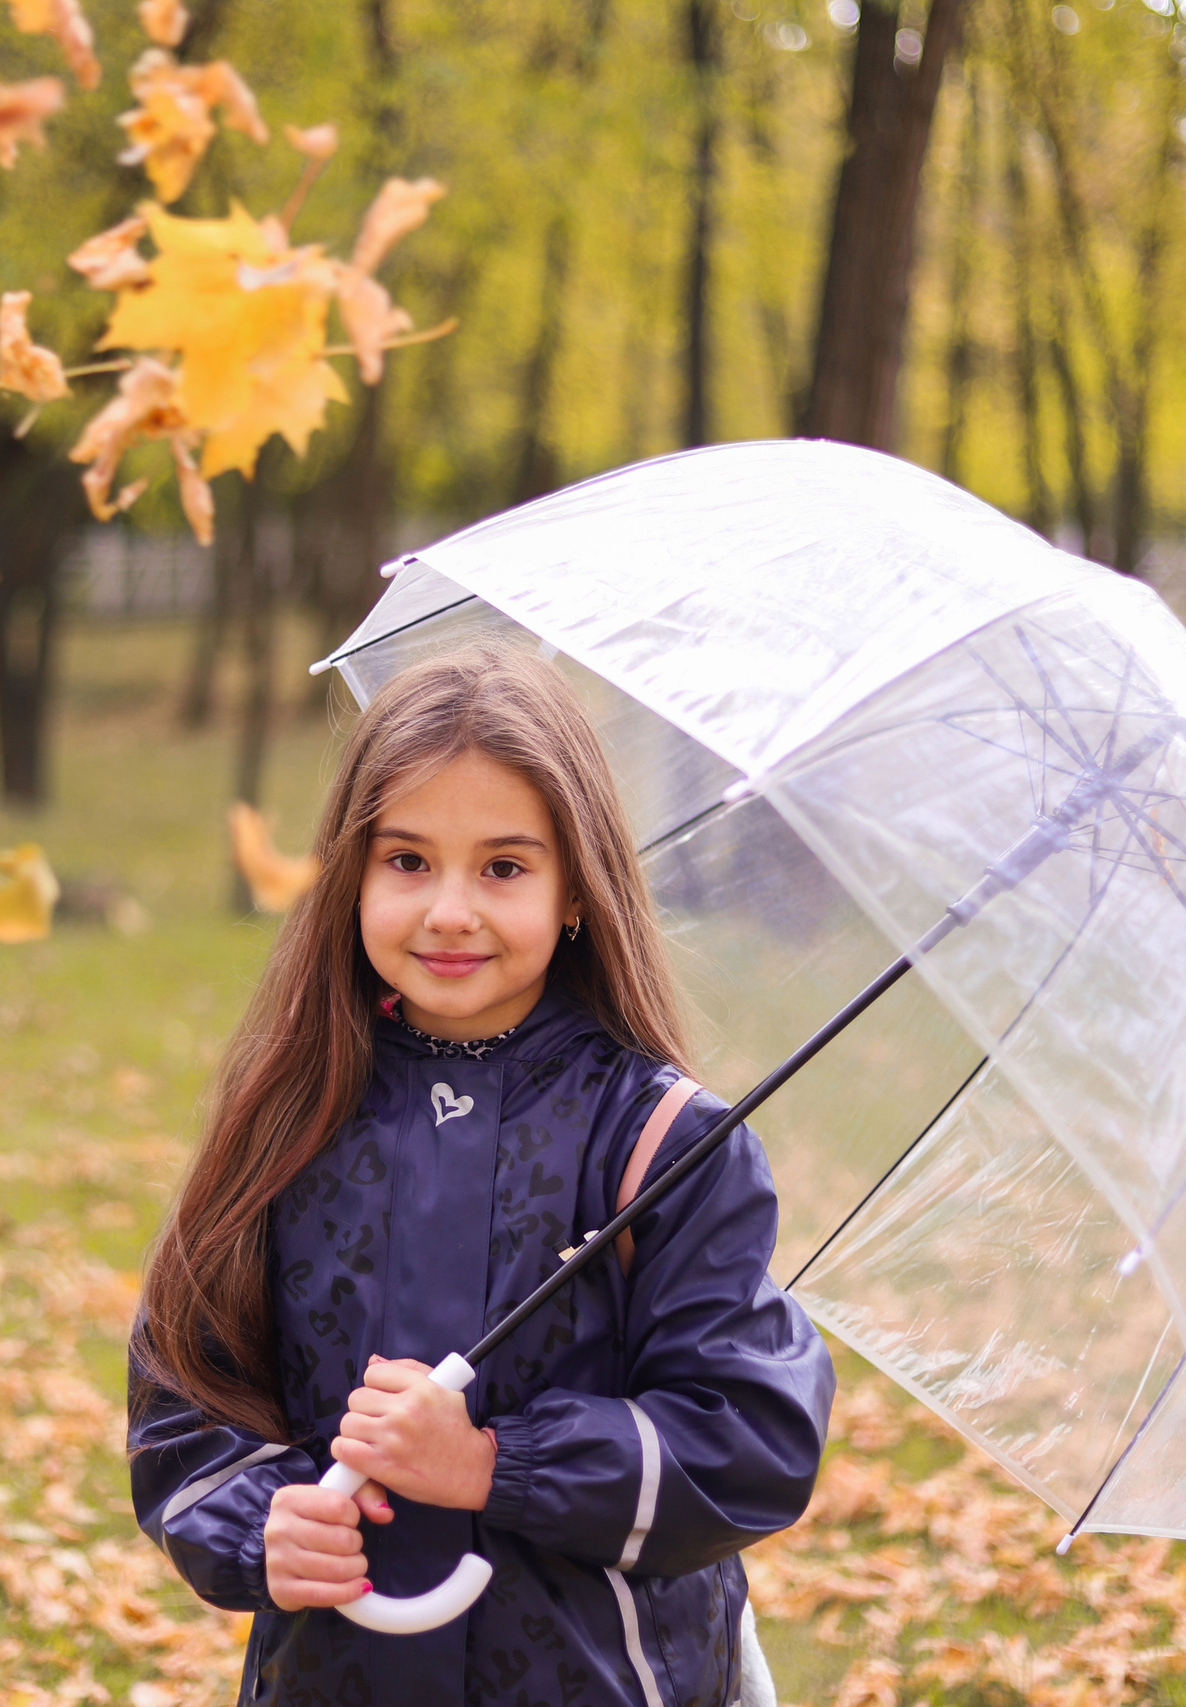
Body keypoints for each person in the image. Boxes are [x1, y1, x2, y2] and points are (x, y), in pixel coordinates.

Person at [128, 645, 833, 1707]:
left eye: (503, 868)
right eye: (407, 861)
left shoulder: (660, 1144)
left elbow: (751, 1441)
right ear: (351, 874)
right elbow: (185, 1390)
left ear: (575, 892)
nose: (448, 910)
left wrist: (494, 1466)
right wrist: (260, 1521)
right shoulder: (287, 1114)